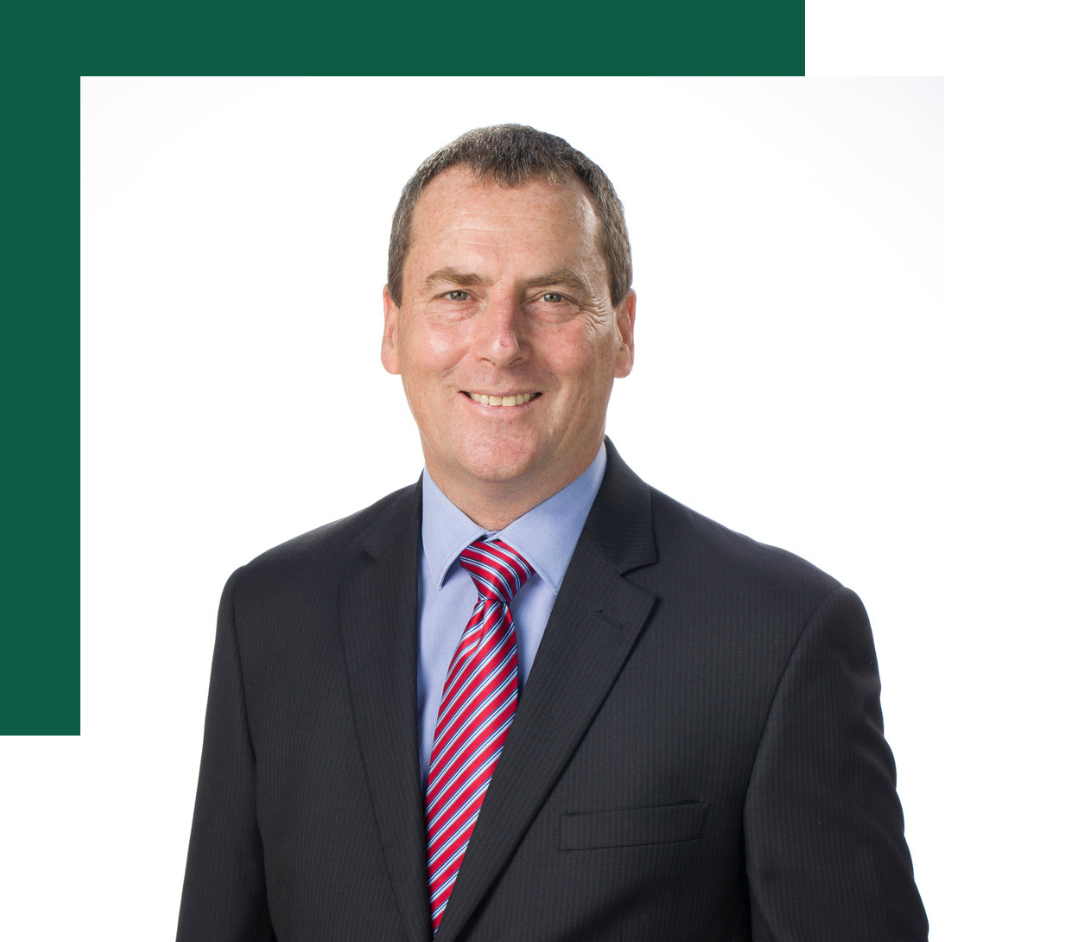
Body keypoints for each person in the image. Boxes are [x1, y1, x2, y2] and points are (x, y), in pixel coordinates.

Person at [176, 124, 928, 941]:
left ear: (624, 332)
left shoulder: (777, 637)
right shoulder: (271, 615)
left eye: (552, 297)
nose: (501, 344)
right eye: (457, 293)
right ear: (392, 328)